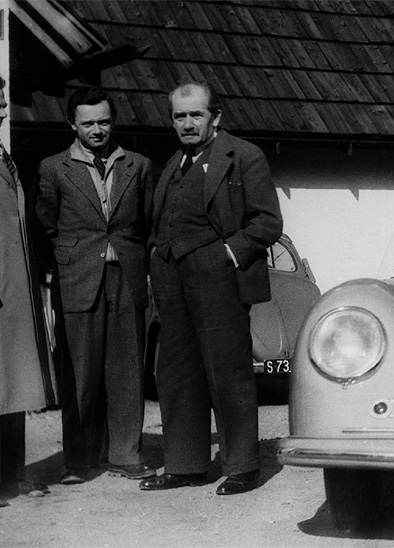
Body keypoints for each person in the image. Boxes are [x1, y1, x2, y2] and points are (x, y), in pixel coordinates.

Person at [139, 82, 282, 495]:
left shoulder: (243, 156)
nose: (187, 123)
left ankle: (242, 466)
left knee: (227, 372)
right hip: (171, 277)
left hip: (218, 276)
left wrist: (224, 254)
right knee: (176, 372)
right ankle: (186, 464)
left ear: (215, 117)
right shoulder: (174, 162)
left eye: (195, 115)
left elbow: (268, 222)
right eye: (179, 116)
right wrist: (155, 257)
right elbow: (159, 219)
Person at [35, 87, 155, 484]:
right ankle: (80, 459)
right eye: (87, 123)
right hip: (77, 277)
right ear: (73, 124)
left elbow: (145, 221)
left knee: (126, 370)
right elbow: (45, 224)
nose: (97, 129)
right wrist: (72, 257)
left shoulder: (138, 164)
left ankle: (125, 453)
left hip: (127, 274)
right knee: (80, 373)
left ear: (113, 122)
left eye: (104, 121)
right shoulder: (54, 168)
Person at [0, 65, 51, 508]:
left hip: (13, 283)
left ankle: (10, 475)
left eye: (4, 105)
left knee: (14, 380)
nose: (3, 112)